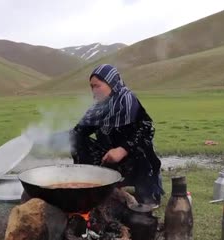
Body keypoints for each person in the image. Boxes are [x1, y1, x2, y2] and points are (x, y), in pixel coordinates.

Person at [70, 64, 164, 206]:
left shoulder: (128, 101)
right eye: (91, 87)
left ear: (111, 83)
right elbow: (79, 131)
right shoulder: (98, 108)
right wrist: (43, 139)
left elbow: (147, 129)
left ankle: (145, 192)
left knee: (143, 207)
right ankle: (91, 184)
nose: (94, 91)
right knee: (76, 139)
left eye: (97, 86)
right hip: (110, 161)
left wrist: (123, 149)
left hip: (136, 162)